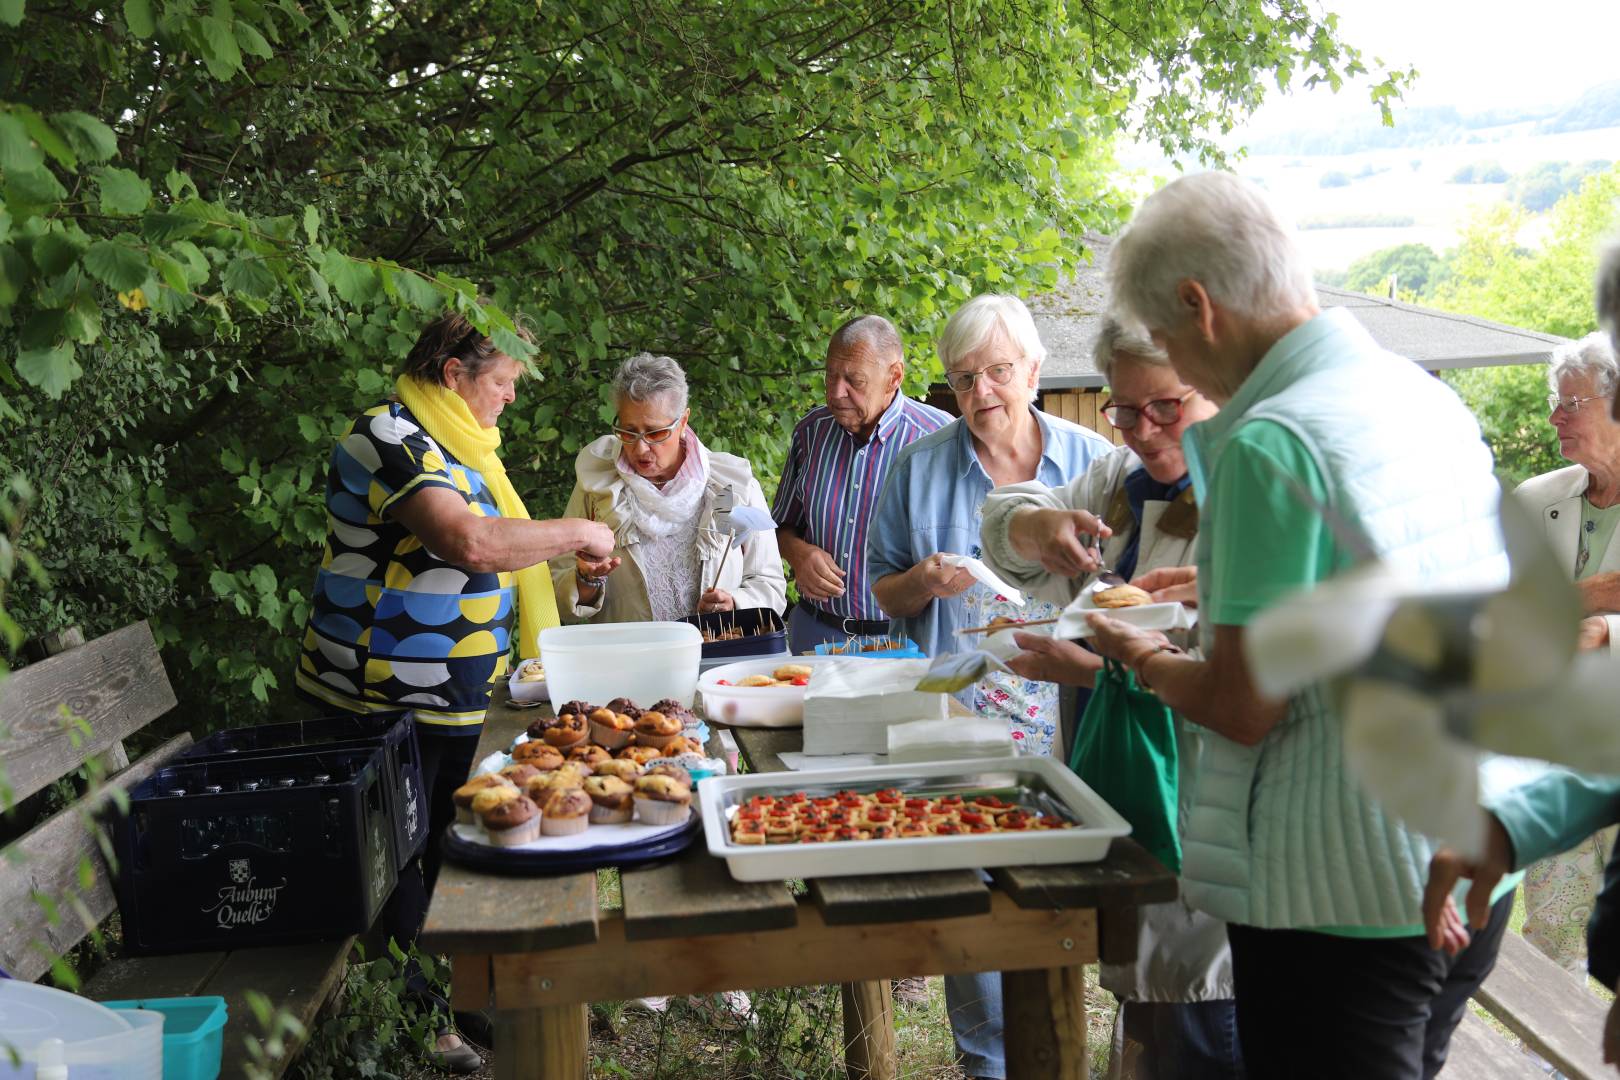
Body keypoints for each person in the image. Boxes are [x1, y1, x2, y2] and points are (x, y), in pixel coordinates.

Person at [1081, 171, 1512, 1080]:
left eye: (1165, 338)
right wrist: (1219, 592)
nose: (1174, 365)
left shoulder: (1269, 440)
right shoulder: (1417, 392)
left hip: (1348, 893)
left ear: (1199, 306)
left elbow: (1243, 707)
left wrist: (1140, 652)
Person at [295, 311, 615, 1072]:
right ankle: (418, 1020)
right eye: (503, 381)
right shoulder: (387, 434)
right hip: (378, 691)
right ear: (453, 374)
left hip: (456, 693)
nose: (511, 397)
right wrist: (577, 532)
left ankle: (461, 996)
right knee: (397, 853)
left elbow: (497, 552)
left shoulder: (465, 445)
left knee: (448, 843)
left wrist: (567, 570)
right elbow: (467, 540)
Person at [979, 317, 1240, 1079]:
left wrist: (1093, 672)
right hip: (1118, 778)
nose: (1143, 430)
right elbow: (999, 521)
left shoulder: (1250, 496)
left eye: (1166, 407)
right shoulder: (1118, 481)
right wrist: (1037, 524)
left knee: (1200, 1013)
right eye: (1124, 409)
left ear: (1218, 389)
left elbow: (1247, 686)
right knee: (1147, 1010)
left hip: (1207, 812)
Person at [866, 293, 1112, 1080]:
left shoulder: (1094, 464)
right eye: (964, 378)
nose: (982, 393)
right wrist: (921, 582)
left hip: (1071, 722)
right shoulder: (918, 469)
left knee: (1059, 901)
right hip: (959, 726)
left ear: (1033, 370)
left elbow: (1130, 591)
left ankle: (1059, 1052)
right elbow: (881, 592)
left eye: (998, 371)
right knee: (971, 901)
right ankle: (986, 1064)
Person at [1508, 331, 1620, 971]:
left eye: (1571, 404)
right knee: (1552, 947)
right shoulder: (1535, 501)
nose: (1555, 417)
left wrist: (1607, 632)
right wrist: (1593, 596)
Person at [551, 352, 785, 623]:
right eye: (628, 431)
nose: (640, 448)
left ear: (683, 422)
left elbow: (770, 585)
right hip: (626, 650)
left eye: (654, 433)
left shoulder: (732, 486)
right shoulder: (598, 487)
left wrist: (735, 603)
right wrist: (586, 581)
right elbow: (556, 587)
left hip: (713, 649)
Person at [773, 315, 951, 654]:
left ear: (894, 377)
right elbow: (780, 526)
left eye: (854, 380)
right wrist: (798, 554)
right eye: (830, 376)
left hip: (905, 641)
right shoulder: (811, 432)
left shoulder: (939, 440)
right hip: (815, 633)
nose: (836, 392)